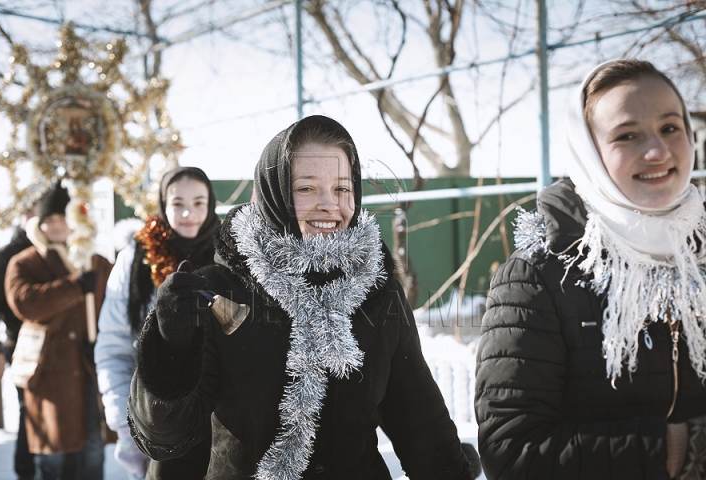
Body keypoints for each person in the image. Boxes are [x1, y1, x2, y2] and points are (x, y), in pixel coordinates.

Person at [126, 115, 474, 480]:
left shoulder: (377, 290)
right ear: (273, 194)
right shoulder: (218, 292)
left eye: (342, 189)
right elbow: (166, 441)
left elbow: (421, 424)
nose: (329, 205)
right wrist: (170, 350)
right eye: (306, 189)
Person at [475, 59, 706, 479]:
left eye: (671, 127)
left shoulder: (700, 261)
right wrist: (678, 450)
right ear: (589, 154)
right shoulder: (538, 278)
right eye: (627, 135)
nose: (657, 150)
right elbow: (512, 452)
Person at [95, 166, 218, 480]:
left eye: (199, 202)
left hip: (221, 424)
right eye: (178, 203)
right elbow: (114, 344)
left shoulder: (228, 255)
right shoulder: (137, 259)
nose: (188, 212)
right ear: (164, 204)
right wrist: (127, 422)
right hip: (156, 418)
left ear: (211, 204)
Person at [4, 181, 114, 480]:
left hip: (90, 370)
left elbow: (115, 309)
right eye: (48, 220)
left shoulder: (95, 261)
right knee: (54, 457)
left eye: (61, 218)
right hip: (49, 374)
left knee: (92, 453)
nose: (55, 226)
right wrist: (75, 287)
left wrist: (102, 343)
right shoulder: (24, 262)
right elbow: (25, 303)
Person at [0, 205, 36, 479]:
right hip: (19, 345)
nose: (34, 216)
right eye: (29, 209)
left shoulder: (61, 247)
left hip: (61, 347)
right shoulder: (4, 254)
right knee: (28, 413)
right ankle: (26, 472)